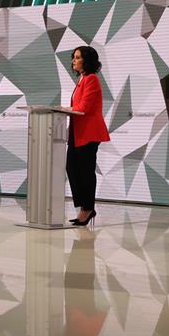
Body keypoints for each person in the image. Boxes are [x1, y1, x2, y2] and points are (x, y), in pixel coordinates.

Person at [66, 46, 110, 226]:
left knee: (85, 172)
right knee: (72, 168)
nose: (73, 61)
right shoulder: (82, 80)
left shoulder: (92, 79)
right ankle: (84, 208)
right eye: (73, 57)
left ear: (87, 60)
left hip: (88, 134)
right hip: (77, 133)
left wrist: (65, 109)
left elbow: (84, 108)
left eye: (77, 57)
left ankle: (88, 209)